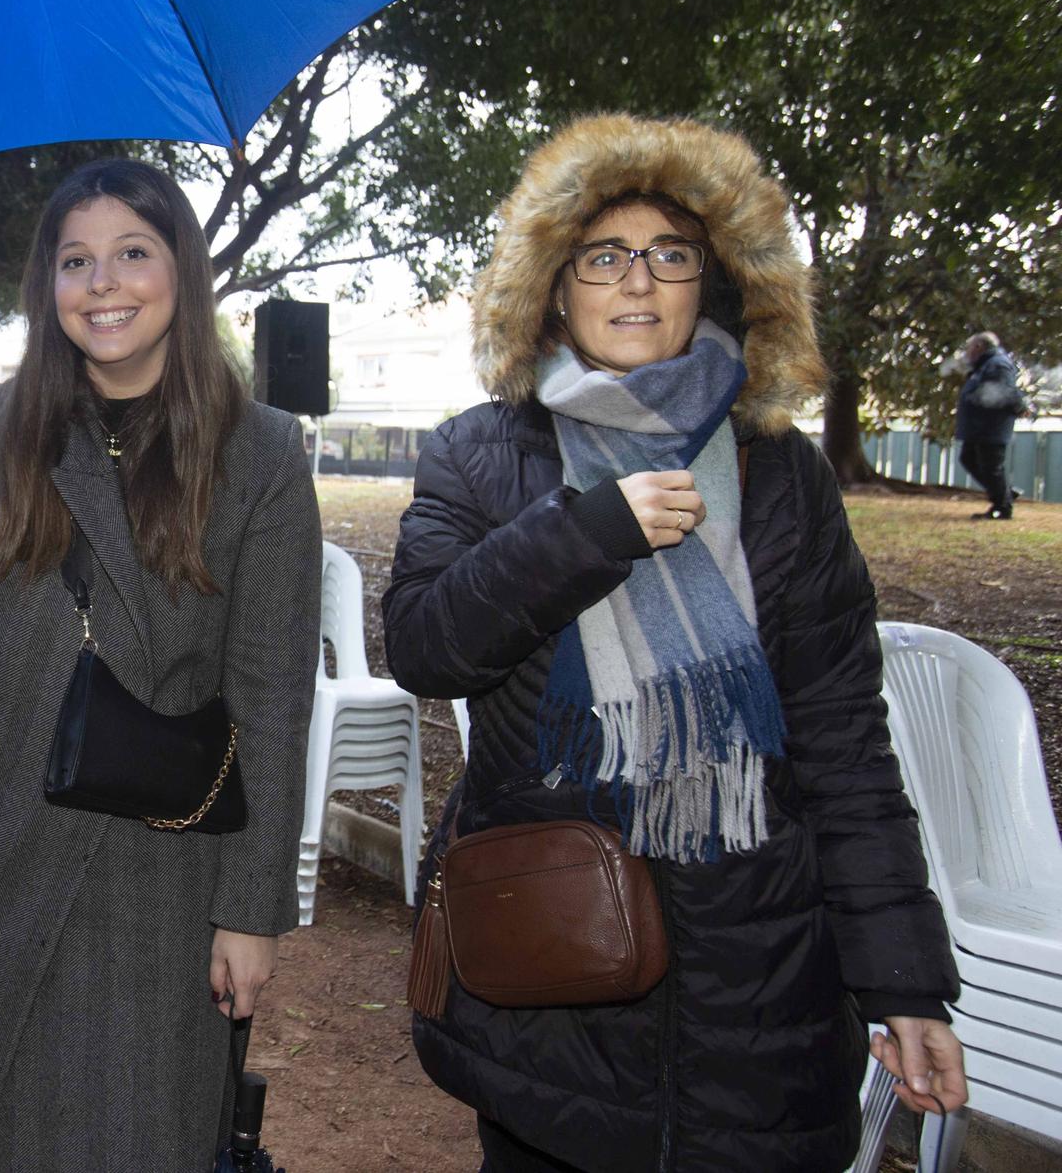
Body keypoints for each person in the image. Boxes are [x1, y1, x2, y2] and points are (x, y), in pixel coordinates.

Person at [384, 115, 966, 1173]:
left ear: (716, 283)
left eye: (671, 254)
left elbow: (843, 741)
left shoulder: (784, 477)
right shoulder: (480, 452)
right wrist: (587, 529)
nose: (636, 282)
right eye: (602, 256)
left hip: (758, 983)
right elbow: (427, 645)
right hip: (549, 969)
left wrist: (901, 980)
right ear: (554, 288)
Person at [0, 158, 322, 1172]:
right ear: (45, 289)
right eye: (74, 261)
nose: (103, 284)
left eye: (132, 253)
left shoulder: (260, 454)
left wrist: (249, 911)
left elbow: (271, 697)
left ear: (179, 270)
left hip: (145, 879)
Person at [955, 330, 1025, 520]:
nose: (967, 352)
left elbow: (1005, 393)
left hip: (991, 426)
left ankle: (1003, 507)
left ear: (979, 347)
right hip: (980, 426)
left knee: (991, 467)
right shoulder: (985, 365)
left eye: (969, 348)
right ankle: (1005, 494)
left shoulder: (997, 364)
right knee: (969, 458)